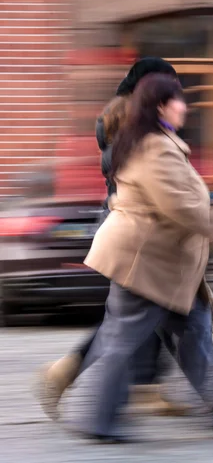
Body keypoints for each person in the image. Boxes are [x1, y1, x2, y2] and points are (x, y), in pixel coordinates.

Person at [65, 74, 213, 442]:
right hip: (144, 262)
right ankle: (97, 420)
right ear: (161, 105)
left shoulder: (155, 142)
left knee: (194, 331)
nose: (185, 106)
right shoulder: (154, 147)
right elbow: (178, 204)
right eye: (179, 100)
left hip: (164, 265)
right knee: (124, 341)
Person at [34, 58, 187, 421]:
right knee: (133, 314)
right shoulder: (139, 125)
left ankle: (145, 387)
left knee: (144, 312)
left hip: (125, 224)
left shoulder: (118, 118)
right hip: (139, 229)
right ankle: (69, 373)